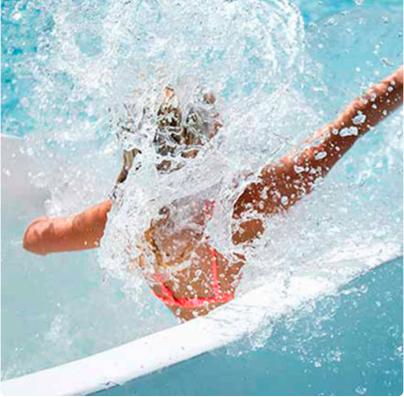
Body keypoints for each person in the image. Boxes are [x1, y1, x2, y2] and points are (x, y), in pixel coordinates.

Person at [23, 67, 403, 321]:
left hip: (194, 343)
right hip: (248, 343)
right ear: (206, 138)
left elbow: (35, 240)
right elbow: (352, 123)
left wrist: (43, 216)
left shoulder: (122, 218)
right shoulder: (244, 202)